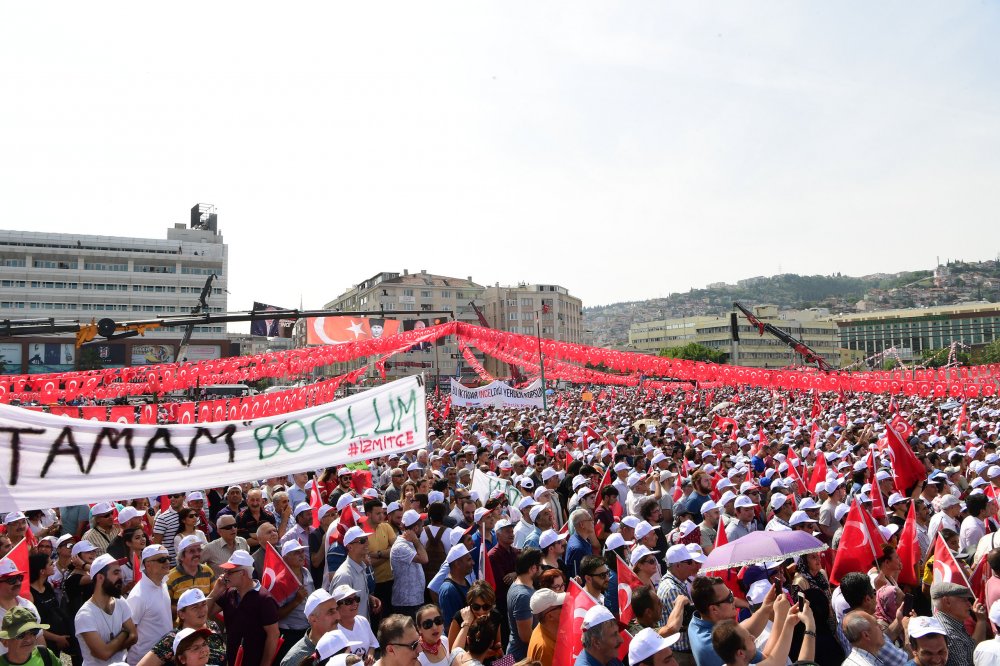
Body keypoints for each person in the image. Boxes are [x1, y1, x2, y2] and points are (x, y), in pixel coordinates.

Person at [208, 550, 279, 666]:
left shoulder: (264, 599)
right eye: (225, 571)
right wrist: (215, 592)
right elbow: (205, 614)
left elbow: (273, 635)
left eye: (229, 572)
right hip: (232, 660)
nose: (224, 576)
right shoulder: (229, 593)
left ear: (243, 573)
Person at [686, 576, 777, 666]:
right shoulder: (713, 645)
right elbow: (771, 661)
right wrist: (782, 618)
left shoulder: (695, 622)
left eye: (731, 594)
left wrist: (766, 608)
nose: (734, 600)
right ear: (714, 609)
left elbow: (743, 630)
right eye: (729, 598)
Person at [74, 553, 138, 665]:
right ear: (100, 578)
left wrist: (110, 649)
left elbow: (134, 636)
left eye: (120, 572)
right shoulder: (85, 615)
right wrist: (124, 632)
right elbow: (103, 654)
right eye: (115, 573)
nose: (121, 577)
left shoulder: (120, 601)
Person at [136, 589, 227, 666]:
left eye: (203, 604)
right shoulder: (172, 639)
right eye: (195, 607)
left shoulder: (212, 626)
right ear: (181, 614)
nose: (202, 610)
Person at [125, 544, 173, 664]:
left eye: (168, 558)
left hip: (166, 657)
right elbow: (127, 632)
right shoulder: (138, 595)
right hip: (143, 660)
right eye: (162, 560)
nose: (167, 562)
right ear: (147, 564)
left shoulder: (163, 583)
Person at [930, 582, 989, 666]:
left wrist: (981, 621)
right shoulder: (949, 633)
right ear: (947, 602)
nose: (969, 604)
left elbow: (972, 651)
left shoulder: (951, 623)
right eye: (964, 600)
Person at [27, 553, 73, 657]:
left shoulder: (47, 586)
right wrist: (57, 638)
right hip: (44, 642)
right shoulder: (30, 594)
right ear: (42, 571)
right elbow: (33, 625)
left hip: (57, 640)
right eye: (51, 564)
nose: (54, 565)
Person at [276, 541, 314, 663]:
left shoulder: (306, 572)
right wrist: (296, 601)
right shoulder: (280, 582)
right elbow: (276, 615)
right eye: (296, 552)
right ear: (285, 558)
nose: (302, 555)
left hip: (307, 630)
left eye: (302, 551)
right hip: (289, 634)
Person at [279, 590, 340, 666]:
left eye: (337, 609)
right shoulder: (295, 660)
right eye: (330, 611)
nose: (338, 616)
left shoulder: (341, 643)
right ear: (313, 619)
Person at [0, 559, 44, 659]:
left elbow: (39, 637)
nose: (18, 582)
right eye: (11, 580)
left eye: (19, 577)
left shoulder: (28, 606)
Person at [389, 511, 429, 618]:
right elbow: (424, 559)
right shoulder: (401, 547)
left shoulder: (409, 542)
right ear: (415, 528)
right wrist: (416, 540)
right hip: (406, 604)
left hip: (415, 601)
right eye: (422, 525)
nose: (423, 527)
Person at [507, 548, 541, 661]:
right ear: (533, 568)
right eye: (540, 567)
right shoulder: (524, 596)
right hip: (521, 658)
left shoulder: (518, 584)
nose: (541, 570)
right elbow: (526, 637)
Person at [331, 585, 378, 666]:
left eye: (356, 599)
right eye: (349, 601)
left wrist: (370, 656)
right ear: (337, 607)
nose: (355, 603)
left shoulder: (363, 621)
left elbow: (372, 644)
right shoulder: (333, 631)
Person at [446, 582, 497, 653]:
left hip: (491, 662)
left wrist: (497, 651)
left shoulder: (495, 615)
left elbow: (498, 644)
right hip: (466, 662)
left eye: (486, 607)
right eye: (476, 607)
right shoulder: (460, 617)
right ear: (469, 604)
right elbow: (451, 652)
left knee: (512, 661)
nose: (481, 611)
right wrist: (466, 624)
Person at [166, 536, 214, 611]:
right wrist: (187, 612)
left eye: (199, 550)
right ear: (181, 556)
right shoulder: (170, 577)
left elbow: (213, 597)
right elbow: (166, 606)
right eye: (192, 551)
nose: (197, 554)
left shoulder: (207, 571)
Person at [438, 545, 474, 630]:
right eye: (469, 560)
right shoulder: (448, 590)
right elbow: (450, 627)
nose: (473, 562)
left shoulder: (464, 580)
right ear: (457, 564)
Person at [527, 588, 563, 666]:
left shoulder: (542, 626)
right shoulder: (545, 649)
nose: (566, 606)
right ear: (550, 616)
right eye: (561, 606)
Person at [153, 493, 186, 563]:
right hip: (172, 564)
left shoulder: (191, 514)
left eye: (176, 496)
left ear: (184, 497)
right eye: (170, 496)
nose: (172, 499)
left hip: (191, 562)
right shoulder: (162, 518)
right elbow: (156, 545)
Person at [564, 510, 597, 578]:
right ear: (582, 524)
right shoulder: (578, 549)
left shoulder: (582, 538)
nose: (593, 522)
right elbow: (581, 579)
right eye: (590, 519)